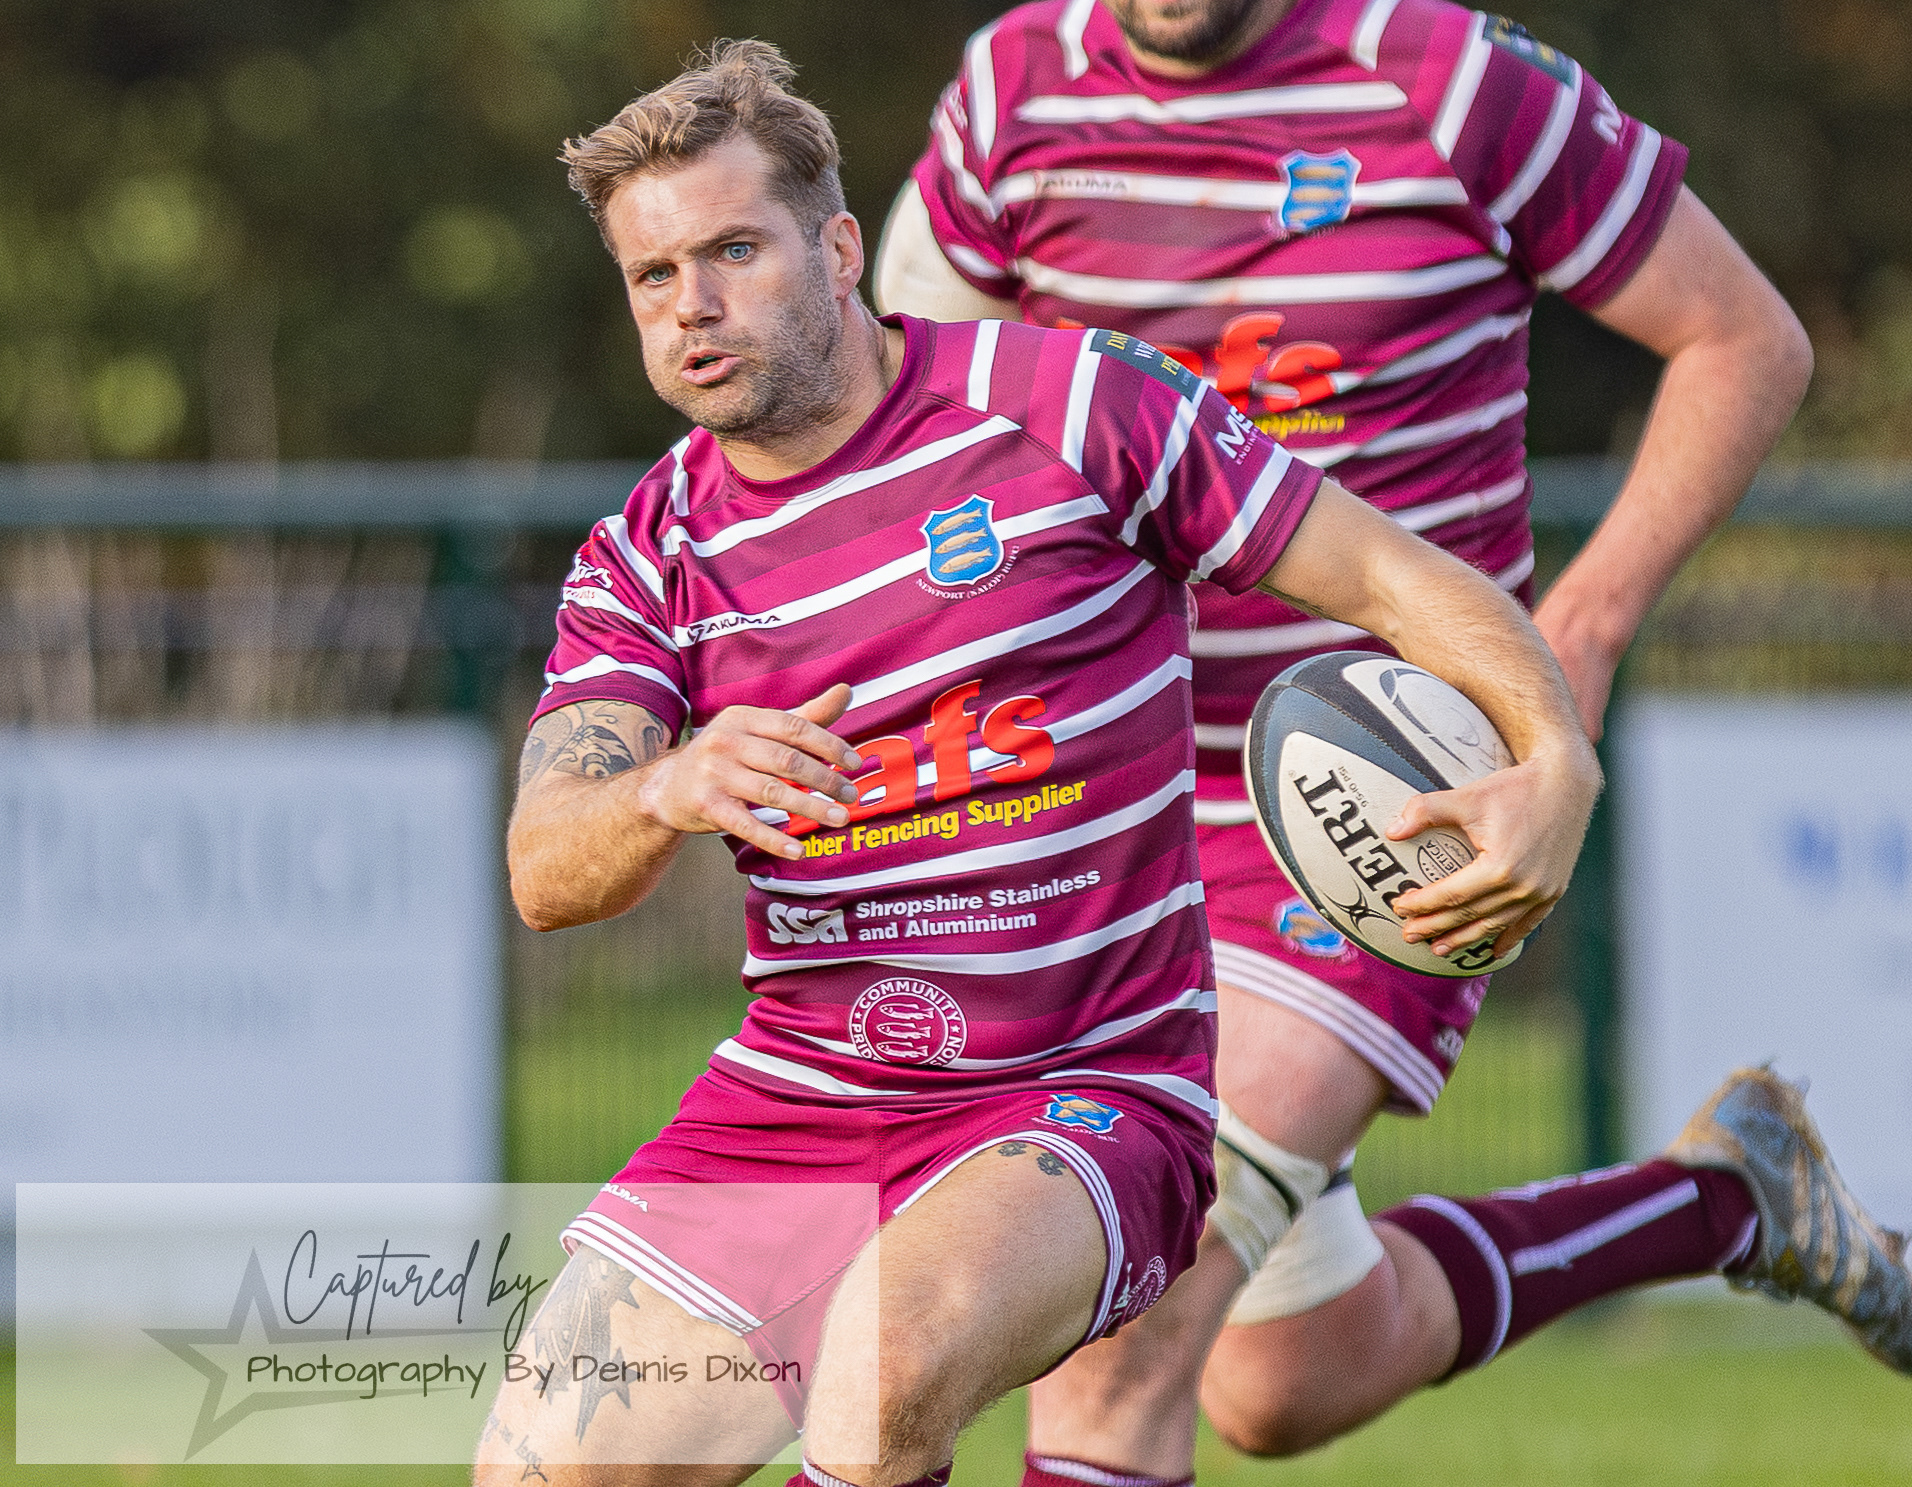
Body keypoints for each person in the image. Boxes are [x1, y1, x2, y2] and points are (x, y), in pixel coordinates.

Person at [474, 37, 1604, 1487]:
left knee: (884, 1363)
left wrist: (1556, 756)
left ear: (839, 250)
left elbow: (1391, 576)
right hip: (800, 1094)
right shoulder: (649, 556)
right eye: (653, 275)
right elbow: (545, 865)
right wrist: (660, 787)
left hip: (1086, 1093)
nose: (693, 303)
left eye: (734, 251)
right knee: (546, 1469)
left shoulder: (1073, 407)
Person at [879, 1, 1910, 1482]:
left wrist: (1579, 632)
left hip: (1379, 790)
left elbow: (1745, 338)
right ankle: (1731, 1198)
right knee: (1290, 1376)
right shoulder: (1011, 90)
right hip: (1099, 808)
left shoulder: (1452, 80)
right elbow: (913, 411)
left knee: (1118, 1337)